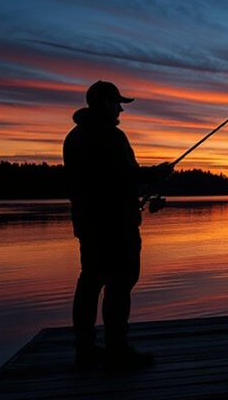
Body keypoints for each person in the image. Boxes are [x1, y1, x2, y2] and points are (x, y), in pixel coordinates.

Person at [62, 80, 169, 371]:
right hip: (116, 226)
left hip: (88, 224)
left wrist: (146, 180)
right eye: (116, 102)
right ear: (104, 103)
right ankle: (116, 350)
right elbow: (126, 177)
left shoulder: (74, 137)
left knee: (90, 282)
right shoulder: (112, 137)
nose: (120, 108)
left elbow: (108, 180)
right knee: (120, 285)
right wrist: (155, 173)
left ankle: (84, 349)